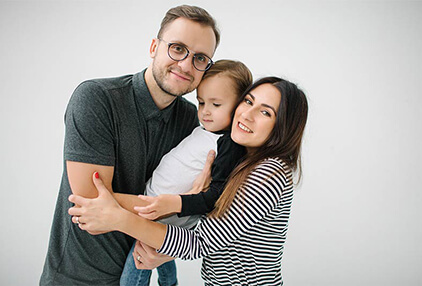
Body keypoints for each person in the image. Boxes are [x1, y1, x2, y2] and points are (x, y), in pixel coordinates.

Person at [40, 5, 220, 286]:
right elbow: (89, 199)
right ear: (153, 47)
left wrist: (170, 244)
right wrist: (182, 205)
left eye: (200, 58)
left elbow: (207, 208)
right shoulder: (97, 99)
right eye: (177, 48)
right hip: (76, 277)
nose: (186, 64)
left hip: (140, 274)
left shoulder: (196, 122)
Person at [69, 76, 309, 285]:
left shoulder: (270, 173)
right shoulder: (240, 160)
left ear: (283, 128)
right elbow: (216, 232)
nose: (246, 113)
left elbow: (200, 242)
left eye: (265, 112)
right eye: (248, 101)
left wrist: (119, 217)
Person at [120, 60, 252, 285]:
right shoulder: (206, 130)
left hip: (167, 214)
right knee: (156, 257)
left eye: (216, 104)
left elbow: (216, 196)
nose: (205, 112)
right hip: (156, 206)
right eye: (201, 103)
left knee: (137, 264)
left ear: (240, 105)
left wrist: (176, 203)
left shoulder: (228, 144)